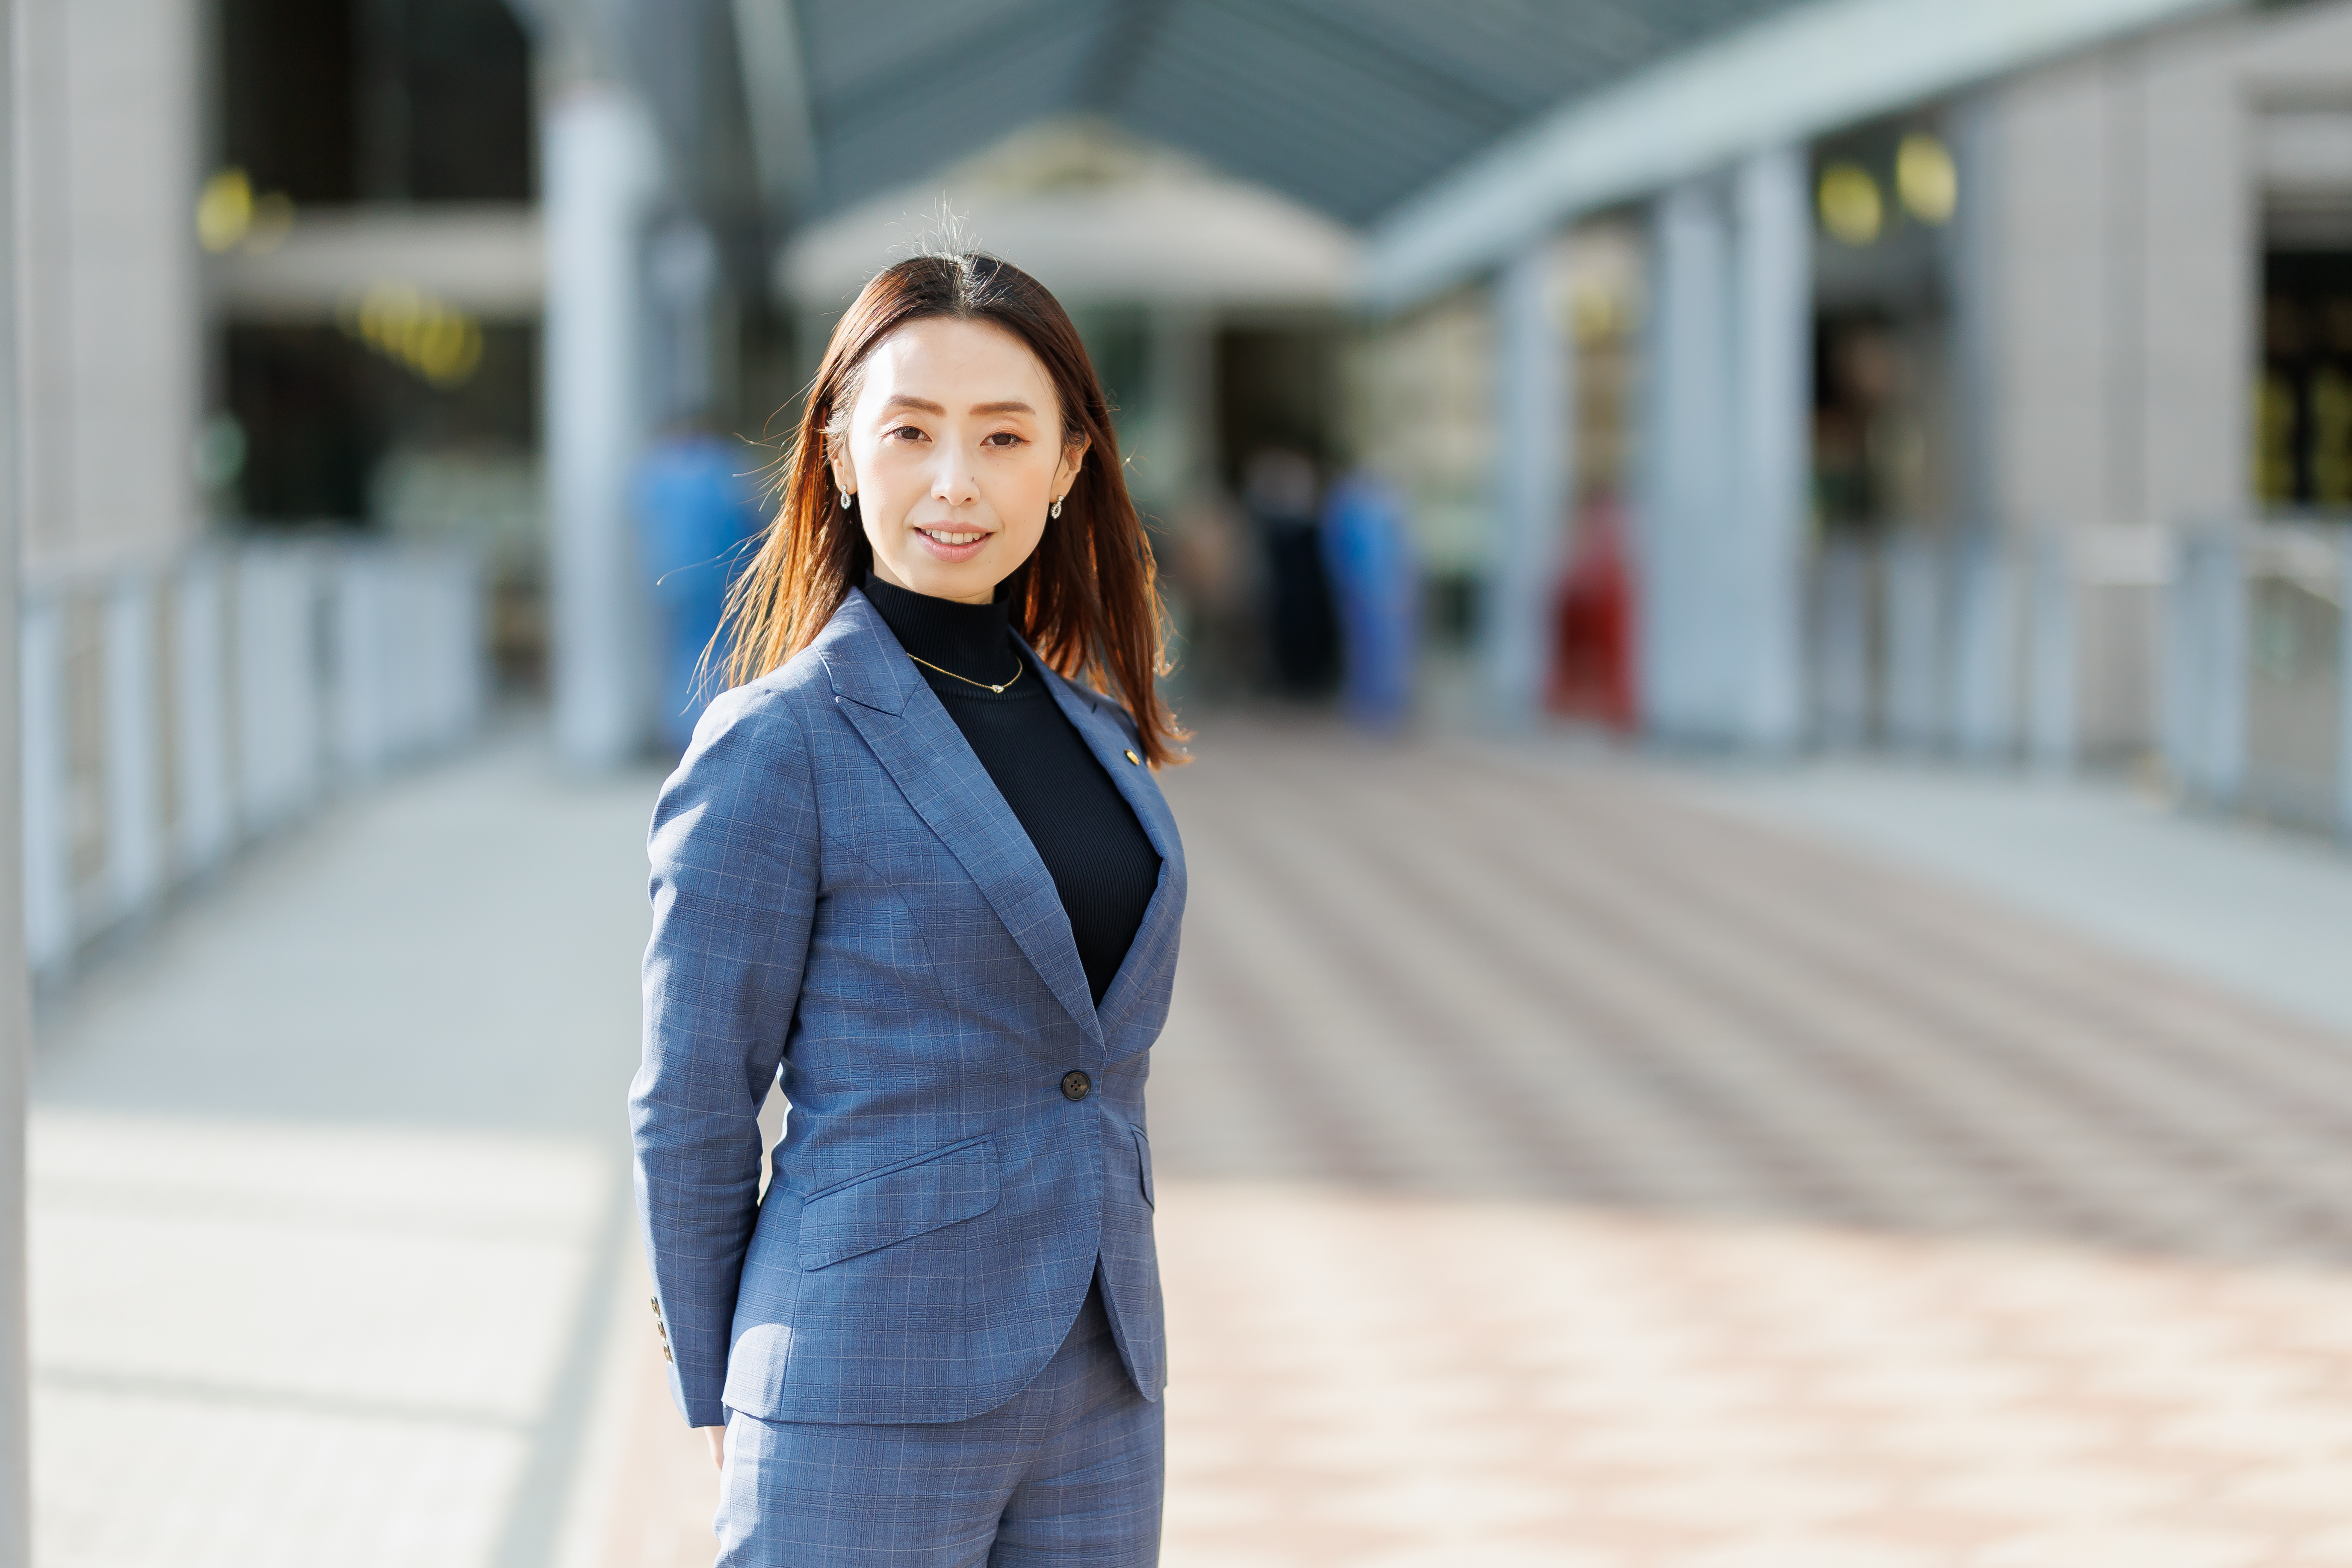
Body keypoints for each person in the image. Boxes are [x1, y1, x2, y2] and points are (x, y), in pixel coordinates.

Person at [630, 251, 1187, 1566]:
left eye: (1003, 436)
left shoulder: (1098, 730)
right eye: (911, 432)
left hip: (1100, 1381)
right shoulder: (777, 743)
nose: (956, 480)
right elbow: (693, 1104)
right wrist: (727, 1390)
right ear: (839, 452)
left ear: (1066, 467)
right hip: (856, 1379)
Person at [632, 420, 762, 753]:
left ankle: (677, 732)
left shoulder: (657, 470)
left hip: (670, 580)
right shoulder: (721, 467)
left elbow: (641, 513)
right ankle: (706, 733)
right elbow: (750, 520)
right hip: (714, 580)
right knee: (713, 654)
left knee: (677, 654)